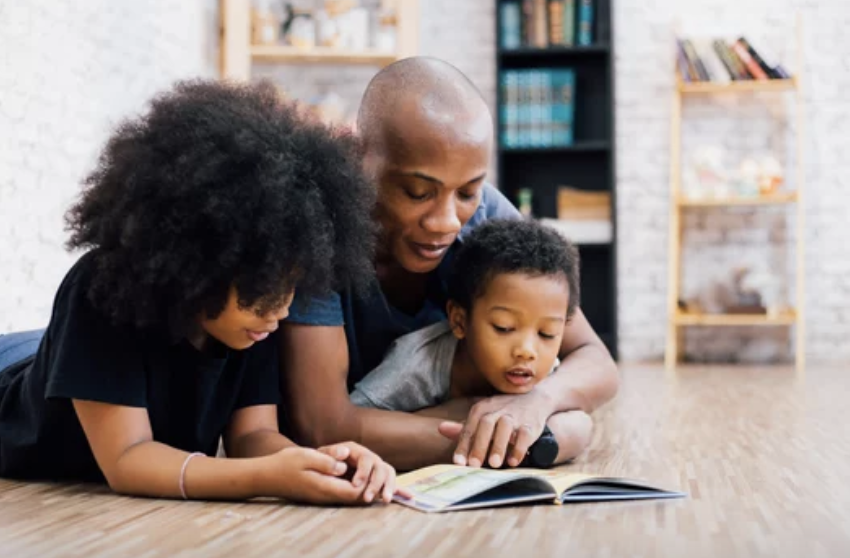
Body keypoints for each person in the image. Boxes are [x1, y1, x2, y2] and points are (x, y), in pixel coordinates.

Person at [0, 79, 401, 505]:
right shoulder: (102, 289)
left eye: (293, 286)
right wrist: (267, 478)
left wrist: (325, 465)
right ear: (198, 258)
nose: (280, 309)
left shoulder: (254, 321)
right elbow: (127, 459)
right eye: (263, 286)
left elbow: (254, 435)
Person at [280, 57, 619, 471]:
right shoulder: (318, 231)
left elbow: (594, 358)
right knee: (572, 430)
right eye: (418, 192)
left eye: (467, 192)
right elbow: (322, 426)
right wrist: (508, 437)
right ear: (359, 159)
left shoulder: (487, 215)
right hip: (367, 434)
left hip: (405, 435)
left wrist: (537, 402)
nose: (446, 221)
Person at [349, 219, 594, 466]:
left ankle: (518, 451)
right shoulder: (414, 364)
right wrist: (460, 411)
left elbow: (582, 425)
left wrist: (535, 416)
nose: (527, 351)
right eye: (504, 328)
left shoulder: (544, 370)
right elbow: (349, 420)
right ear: (460, 322)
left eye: (547, 333)